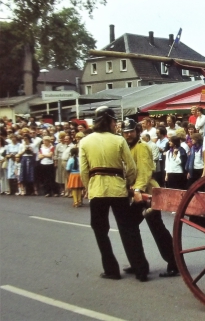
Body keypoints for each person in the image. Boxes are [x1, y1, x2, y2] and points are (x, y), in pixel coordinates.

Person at [79, 106, 149, 282]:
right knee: (128, 229)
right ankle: (141, 270)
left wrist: (89, 187)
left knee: (100, 231)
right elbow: (131, 168)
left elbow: (83, 171)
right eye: (114, 121)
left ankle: (111, 270)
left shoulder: (85, 142)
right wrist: (127, 184)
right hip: (118, 189)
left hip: (97, 190)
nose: (116, 124)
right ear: (110, 121)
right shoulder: (119, 141)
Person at [121, 119, 179, 278]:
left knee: (156, 229)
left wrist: (138, 189)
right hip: (136, 194)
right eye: (126, 132)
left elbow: (145, 172)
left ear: (137, 131)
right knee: (131, 227)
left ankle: (174, 263)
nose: (128, 134)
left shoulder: (142, 147)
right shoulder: (126, 148)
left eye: (131, 131)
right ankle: (137, 263)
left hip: (147, 194)